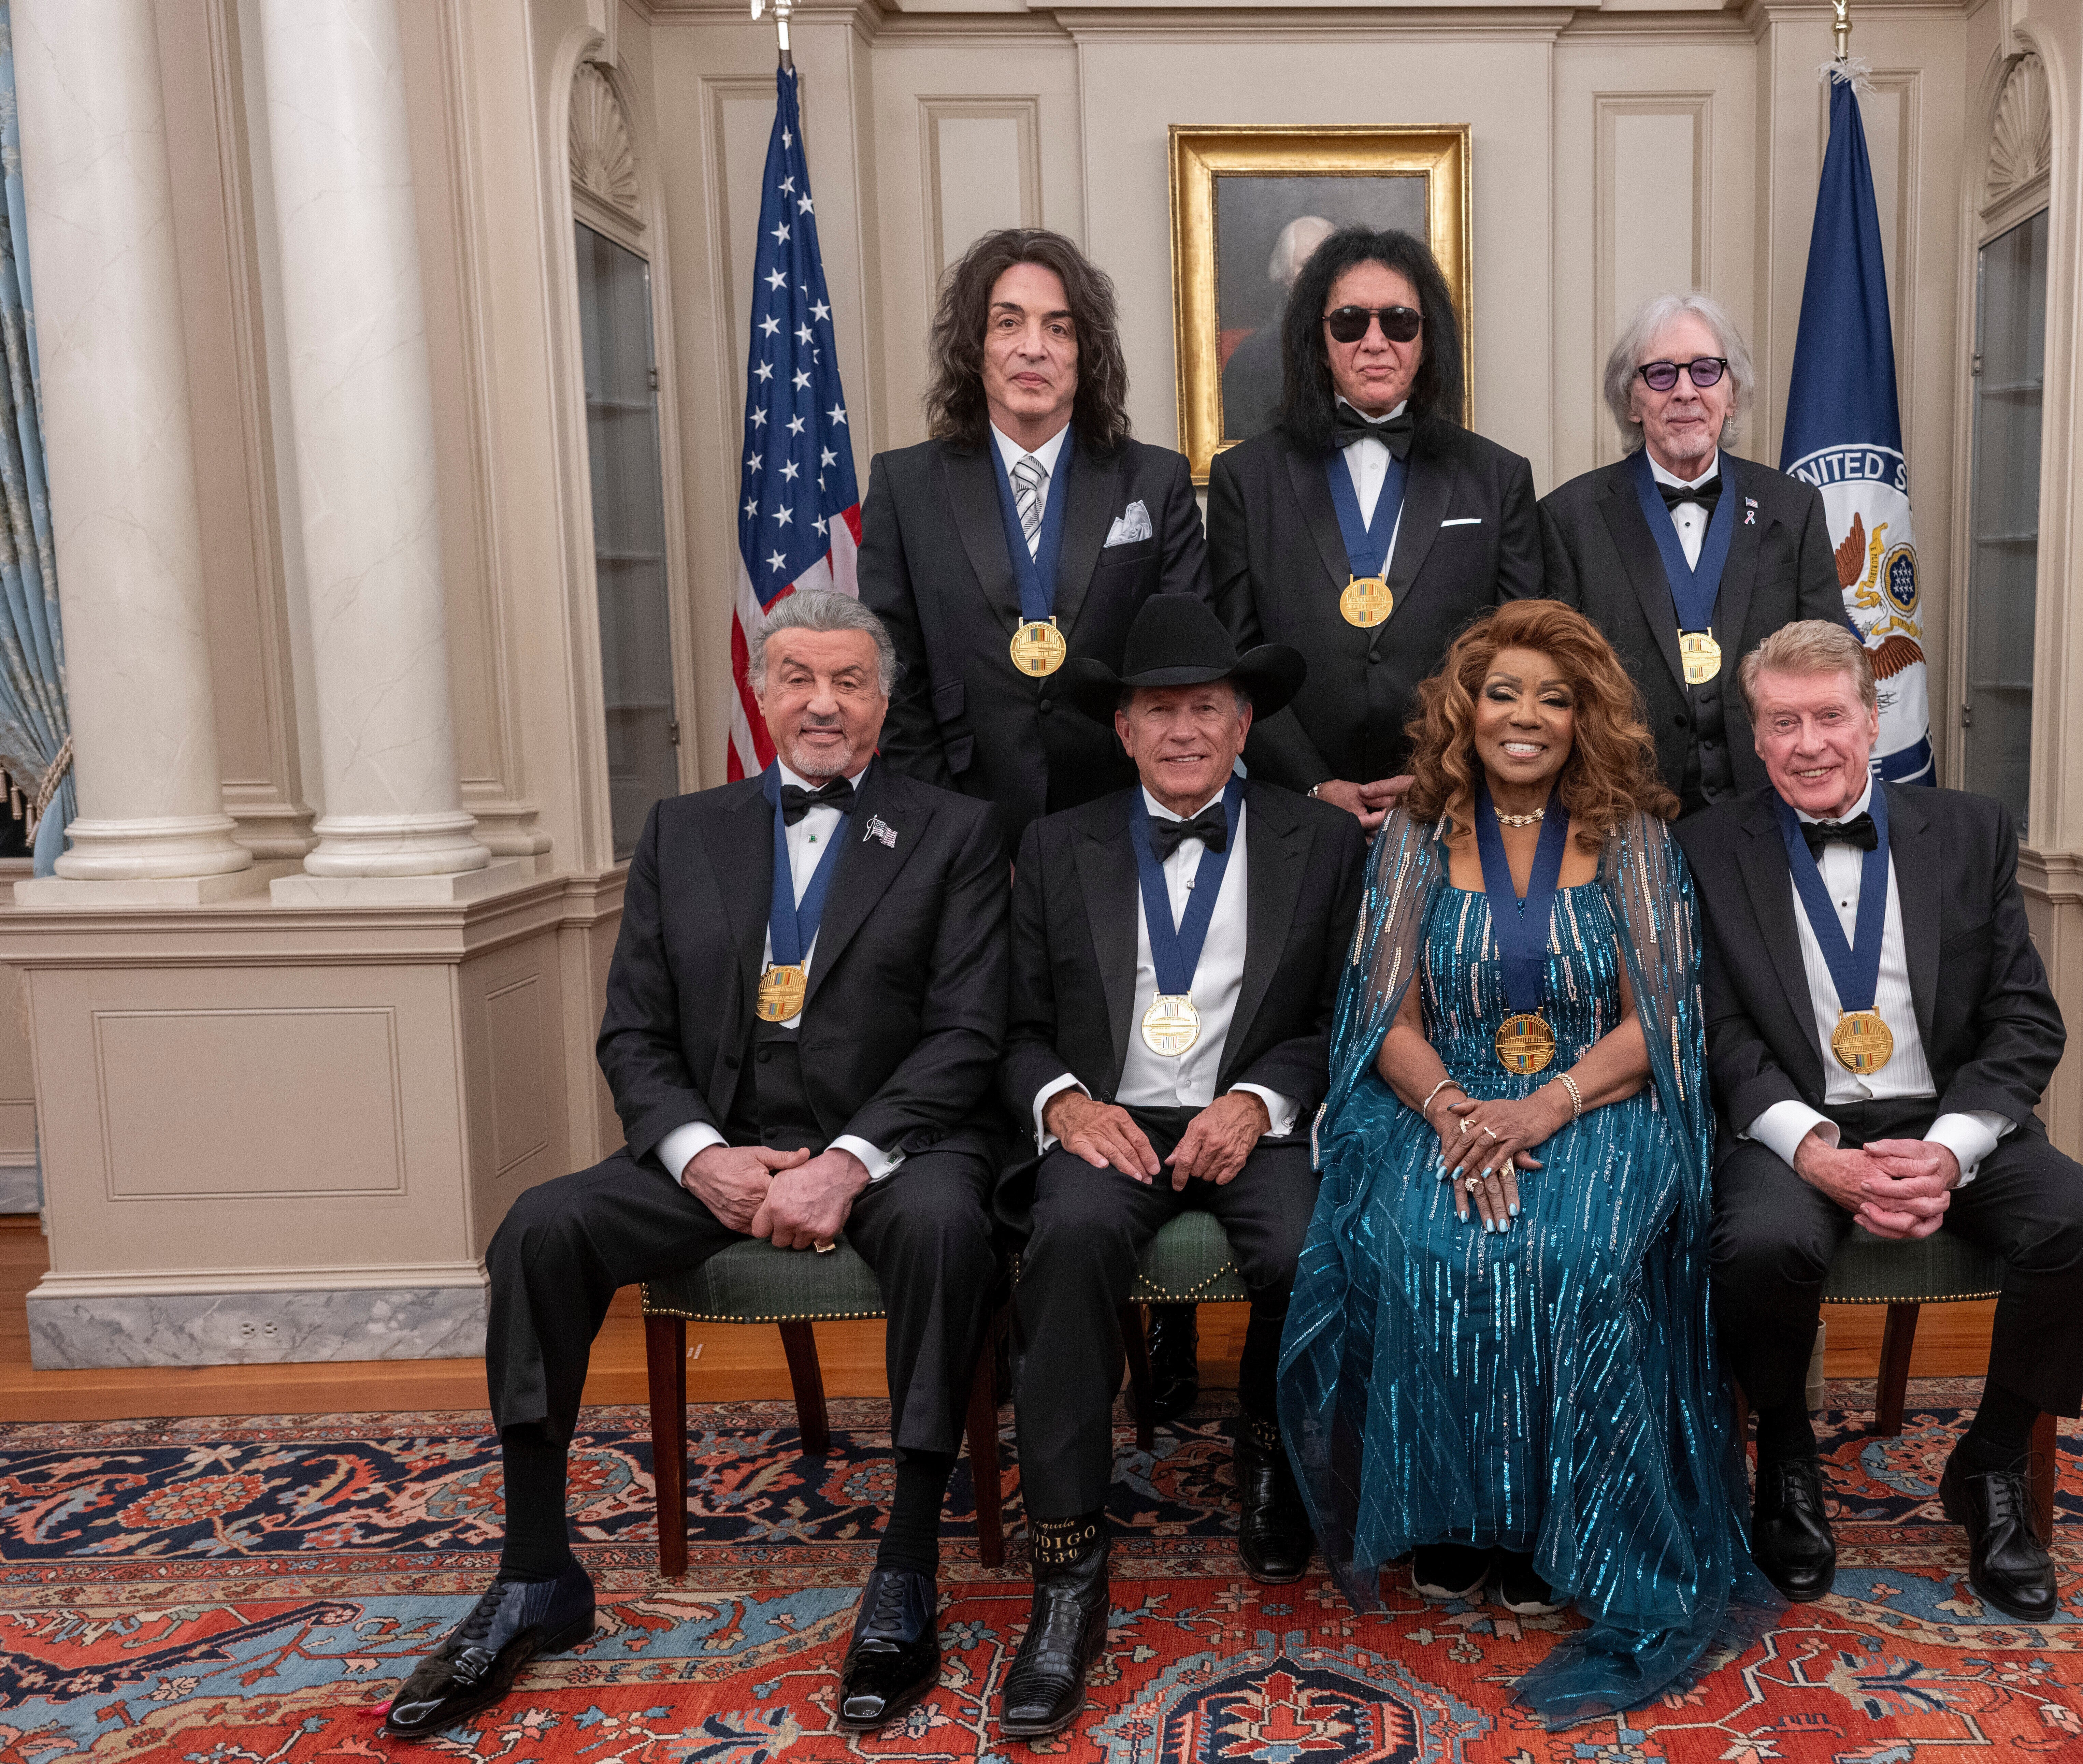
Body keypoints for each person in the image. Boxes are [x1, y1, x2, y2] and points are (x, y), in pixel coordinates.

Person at [384, 593, 1007, 1739]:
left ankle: (908, 1568)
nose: (823, 703)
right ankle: (535, 1575)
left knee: (946, 1229)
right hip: (716, 1147)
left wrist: (849, 1163)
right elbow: (632, 1031)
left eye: (850, 681)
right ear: (760, 694)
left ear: (885, 699)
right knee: (539, 1227)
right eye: (797, 678)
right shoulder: (682, 829)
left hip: (886, 1145)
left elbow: (967, 1034)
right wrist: (700, 1154)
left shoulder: (954, 831)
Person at [1277, 598, 1766, 1731]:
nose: (1526, 717)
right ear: (1466, 708)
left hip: (1600, 1097)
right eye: (1504, 693)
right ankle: (1458, 1521)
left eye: (1554, 698)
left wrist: (1542, 1106)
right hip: (1439, 1102)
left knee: (1579, 1251)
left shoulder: (1638, 836)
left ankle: (1572, 1528)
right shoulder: (1410, 839)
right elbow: (1379, 1016)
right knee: (1428, 1241)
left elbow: (1664, 1022)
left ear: (1586, 716)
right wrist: (1455, 1112)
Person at [1680, 620, 2083, 1625]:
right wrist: (1814, 1150)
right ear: (1754, 739)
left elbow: (2022, 1017)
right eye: (1781, 722)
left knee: (2082, 1220)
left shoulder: (1967, 830)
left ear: (1871, 721)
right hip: (1793, 1128)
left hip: (1945, 1116)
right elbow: (1717, 1031)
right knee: (1754, 1243)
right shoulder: (1705, 845)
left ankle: (1992, 1460)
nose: (1806, 743)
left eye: (1828, 716)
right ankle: (1786, 1456)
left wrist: (1948, 1150)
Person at [994, 595, 1366, 1738]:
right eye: (1158, 710)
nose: (1183, 730)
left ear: (1244, 721)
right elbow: (1010, 1026)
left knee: (1308, 1249)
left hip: (1252, 1119)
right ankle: (1066, 1566)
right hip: (1109, 1121)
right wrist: (1064, 1106)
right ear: (1122, 730)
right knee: (1062, 1242)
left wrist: (1259, 1101)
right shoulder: (1057, 845)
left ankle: (1267, 1452)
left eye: (1205, 707)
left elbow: (1339, 1013)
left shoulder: (1325, 843)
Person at [860, 227, 1208, 851]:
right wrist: (954, 830)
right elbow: (895, 676)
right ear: (975, 346)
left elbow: (1180, 663)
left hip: (1121, 820)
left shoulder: (1156, 480)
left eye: (1059, 328)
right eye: (1008, 323)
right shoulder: (904, 485)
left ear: (1086, 353)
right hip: (959, 820)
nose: (1033, 349)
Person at [1210, 225, 1543, 834]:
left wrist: (1446, 773)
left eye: (1398, 322)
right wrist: (1309, 783)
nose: (1374, 341)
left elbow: (1519, 658)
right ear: (1317, 341)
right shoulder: (1244, 480)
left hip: (1455, 809)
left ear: (1427, 339)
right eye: (1348, 323)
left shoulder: (1498, 478)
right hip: (1294, 812)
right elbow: (1236, 659)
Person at [1541, 292, 1847, 812]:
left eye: (1705, 370)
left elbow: (1829, 664)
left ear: (1731, 394)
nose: (1684, 391)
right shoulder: (1567, 517)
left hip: (1769, 809)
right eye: (1660, 375)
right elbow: (1553, 683)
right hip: (1622, 814)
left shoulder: (1792, 509)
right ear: (1631, 402)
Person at [1219, 214, 1335, 438]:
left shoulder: (1371, 343)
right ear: (1286, 277)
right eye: (1307, 264)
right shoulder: (1250, 357)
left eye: (1331, 264)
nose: (1322, 274)